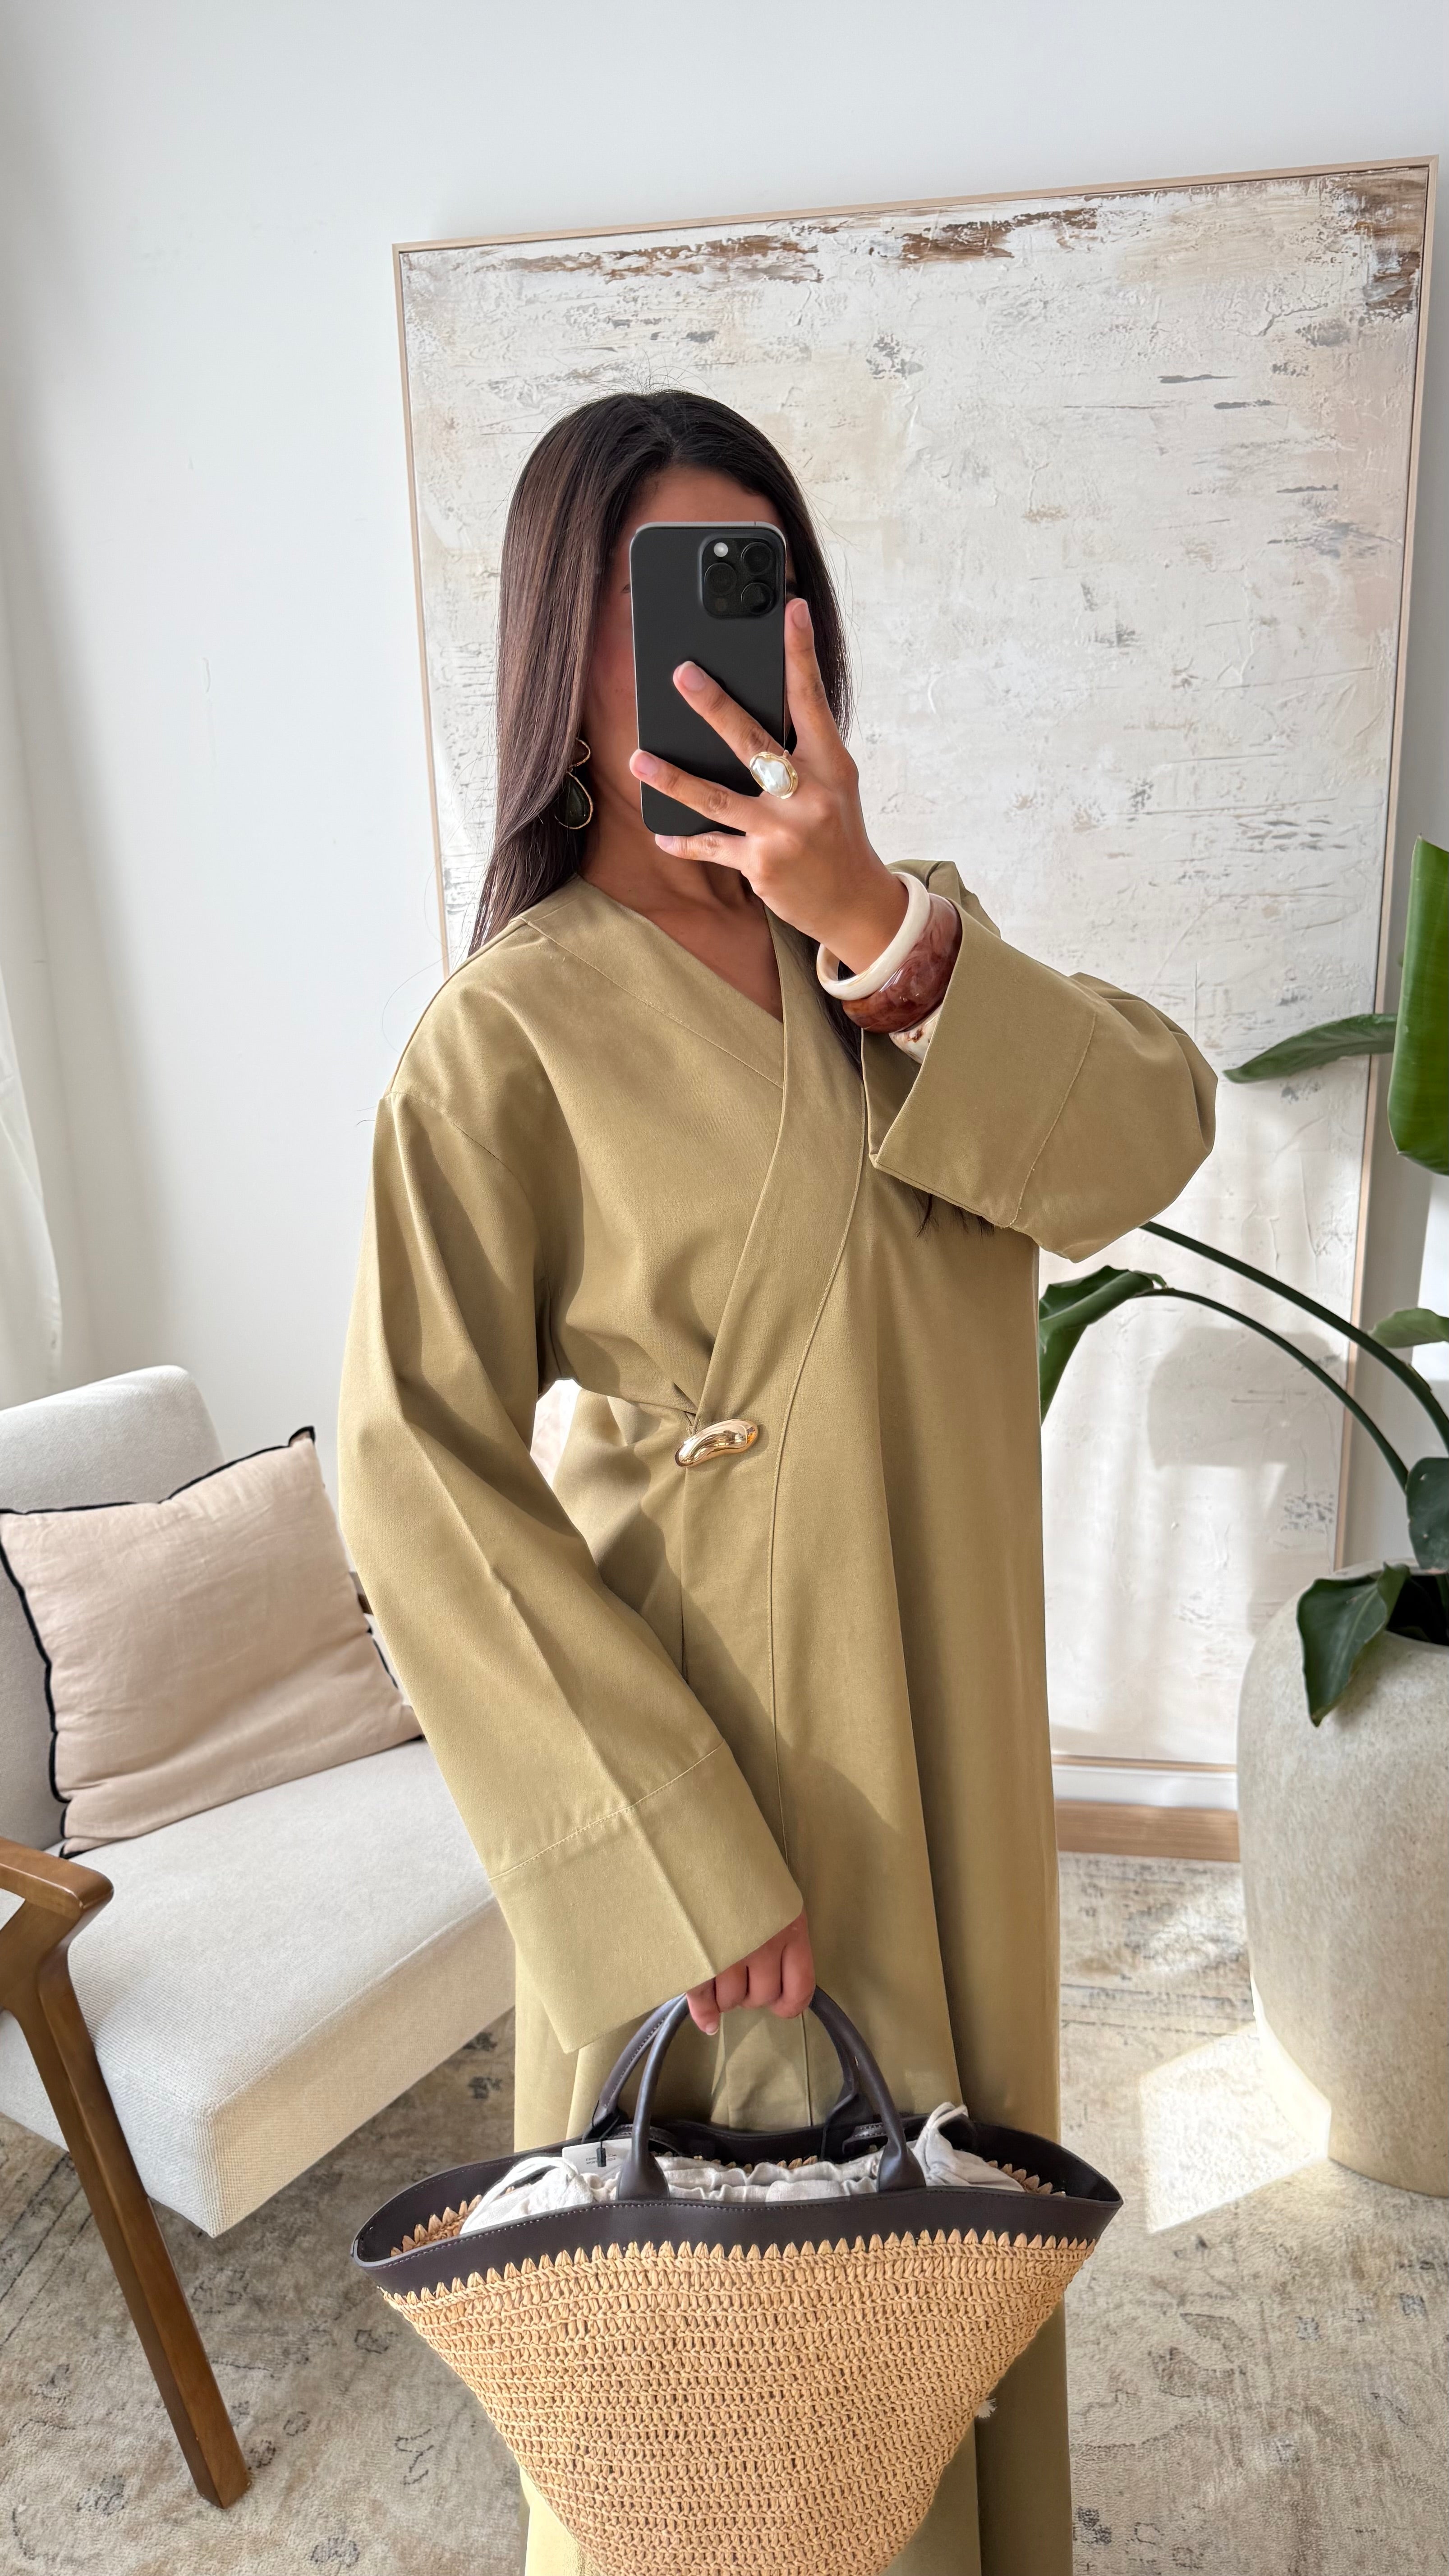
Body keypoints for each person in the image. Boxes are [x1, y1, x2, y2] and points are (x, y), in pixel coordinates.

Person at [338, 389, 1215, 2576]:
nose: (725, 656)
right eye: (660, 609)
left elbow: (1147, 1136)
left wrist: (884, 932)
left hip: (955, 1754)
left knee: (938, 2287)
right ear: (566, 658)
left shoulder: (912, 958)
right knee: (722, 2367)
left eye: (766, 594)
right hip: (730, 1800)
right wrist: (676, 1857)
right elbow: (413, 1465)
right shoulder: (500, 1040)